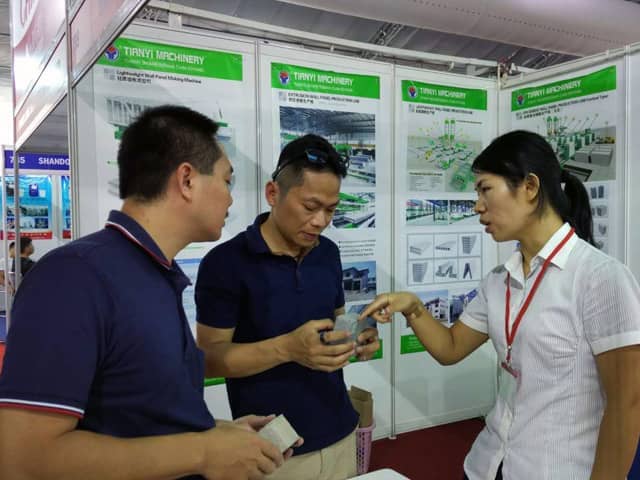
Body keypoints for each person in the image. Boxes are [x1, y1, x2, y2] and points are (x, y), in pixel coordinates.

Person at [0, 105, 287, 480]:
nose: (230, 198)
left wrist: (216, 435)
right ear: (187, 180)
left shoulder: (155, 275)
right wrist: (201, 452)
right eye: (226, 181)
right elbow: (24, 459)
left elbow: (134, 416)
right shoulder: (74, 277)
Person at [361, 130, 640, 480]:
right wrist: (413, 307)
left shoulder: (601, 278)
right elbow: (450, 347)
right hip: (488, 464)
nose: (477, 205)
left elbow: (627, 403)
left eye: (485, 190)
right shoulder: (499, 280)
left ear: (530, 187)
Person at [195, 134, 381, 480]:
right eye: (310, 207)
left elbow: (337, 323)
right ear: (273, 193)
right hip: (274, 448)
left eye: (331, 210)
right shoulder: (226, 263)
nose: (321, 221)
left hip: (340, 430)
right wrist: (288, 349)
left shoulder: (328, 253)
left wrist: (359, 336)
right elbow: (208, 360)